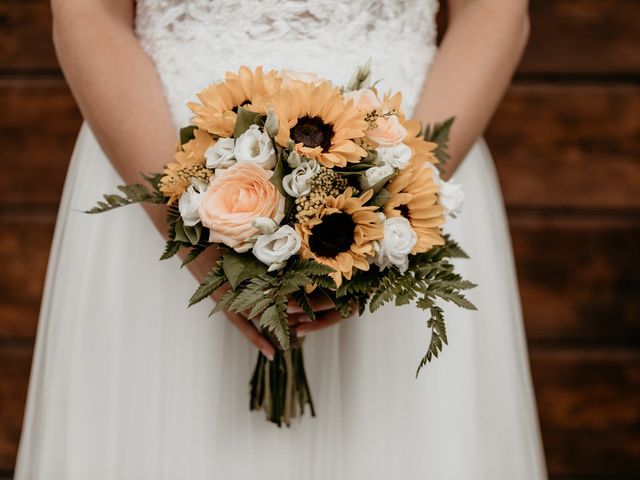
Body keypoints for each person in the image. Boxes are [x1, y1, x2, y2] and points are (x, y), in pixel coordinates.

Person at [15, 0, 547, 478]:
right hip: (154, 156)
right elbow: (87, 11)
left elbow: (493, 10)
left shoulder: (398, 190)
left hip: (407, 160)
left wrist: (393, 201)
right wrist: (188, 225)